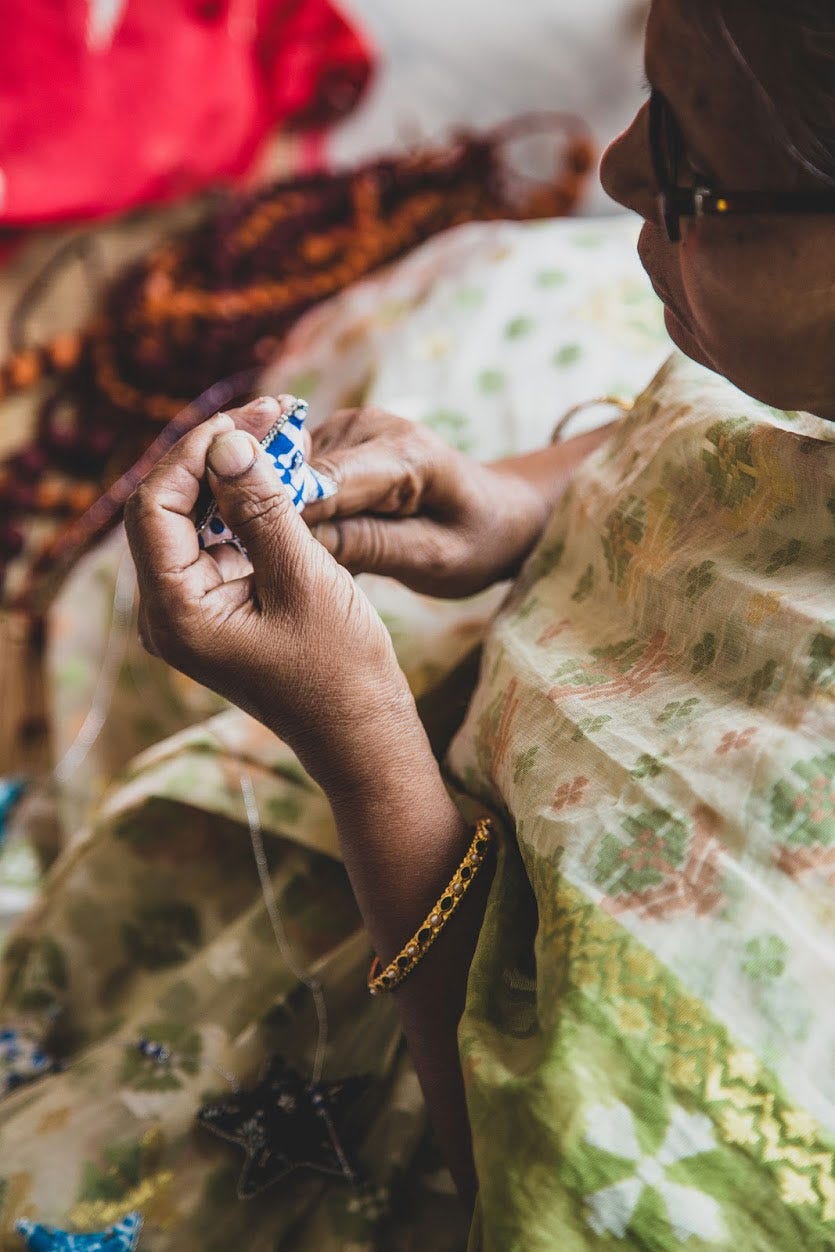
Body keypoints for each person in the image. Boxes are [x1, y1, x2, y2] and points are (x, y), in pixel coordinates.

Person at [2, 1, 833, 1247]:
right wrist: (520, 504)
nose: (615, 171)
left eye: (691, 169)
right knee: (474, 291)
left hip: (428, 1082)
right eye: (650, 98)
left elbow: (532, 1178)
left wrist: (360, 742)